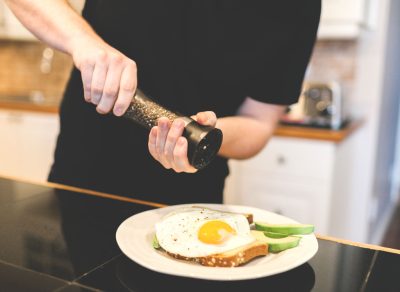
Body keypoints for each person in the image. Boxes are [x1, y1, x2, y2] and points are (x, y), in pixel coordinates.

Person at [6, 0, 321, 204]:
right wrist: (83, 42)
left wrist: (205, 133)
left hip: (191, 194)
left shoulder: (296, 8)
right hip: (84, 178)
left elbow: (259, 123)